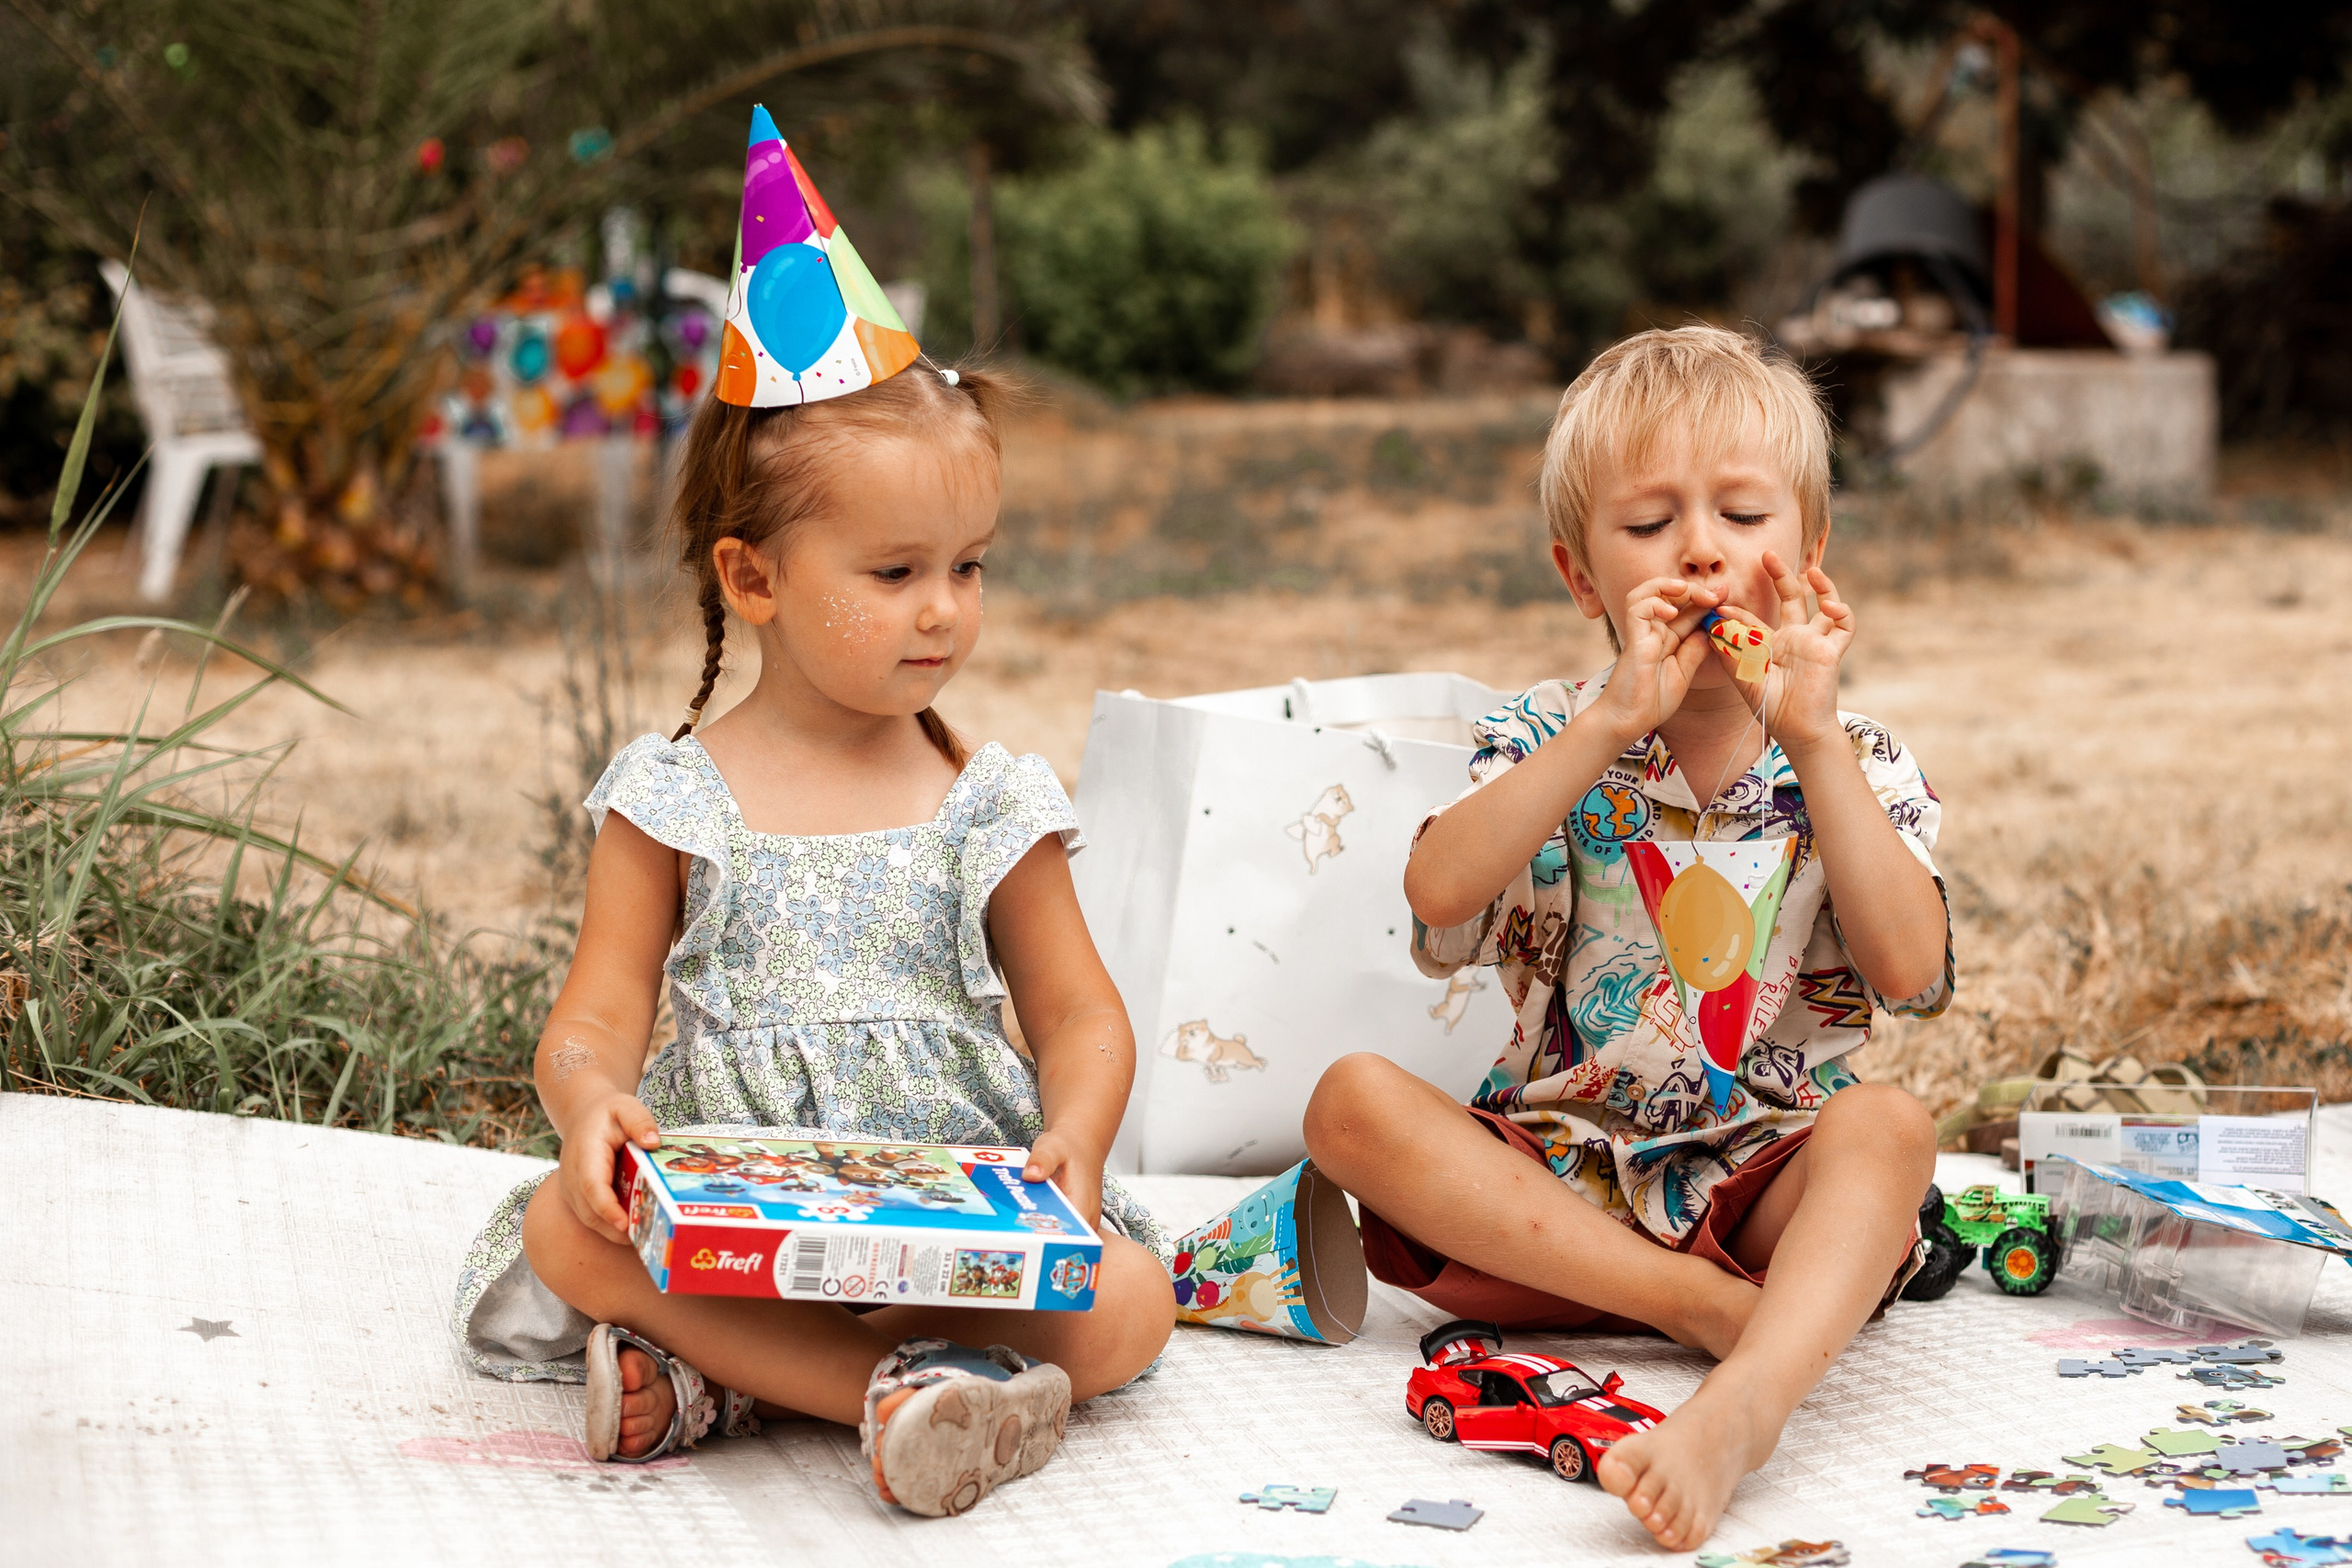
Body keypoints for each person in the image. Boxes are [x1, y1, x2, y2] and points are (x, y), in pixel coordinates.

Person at [450, 107, 1172, 1519]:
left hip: (951, 1219)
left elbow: (1080, 1014)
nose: (947, 608)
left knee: (1135, 1303)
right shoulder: (672, 801)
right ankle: (892, 1395)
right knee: (562, 1225)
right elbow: (593, 1018)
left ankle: (724, 1385)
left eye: (969, 565)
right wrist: (594, 1102)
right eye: (897, 570)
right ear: (755, 577)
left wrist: (1076, 1136)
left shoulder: (988, 801)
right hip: (743, 1214)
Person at [1302, 324, 1952, 1551]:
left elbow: (1910, 973)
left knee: (1892, 1130)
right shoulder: (1550, 729)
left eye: (1744, 516)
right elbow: (1439, 895)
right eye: (1650, 527)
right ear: (1580, 576)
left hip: (1761, 1175)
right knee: (1347, 1105)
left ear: (1808, 555)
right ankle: (1710, 1315)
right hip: (1553, 1184)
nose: (1701, 550)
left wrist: (1813, 742)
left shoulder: (1857, 757)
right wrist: (1606, 724)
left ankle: (1746, 1404)